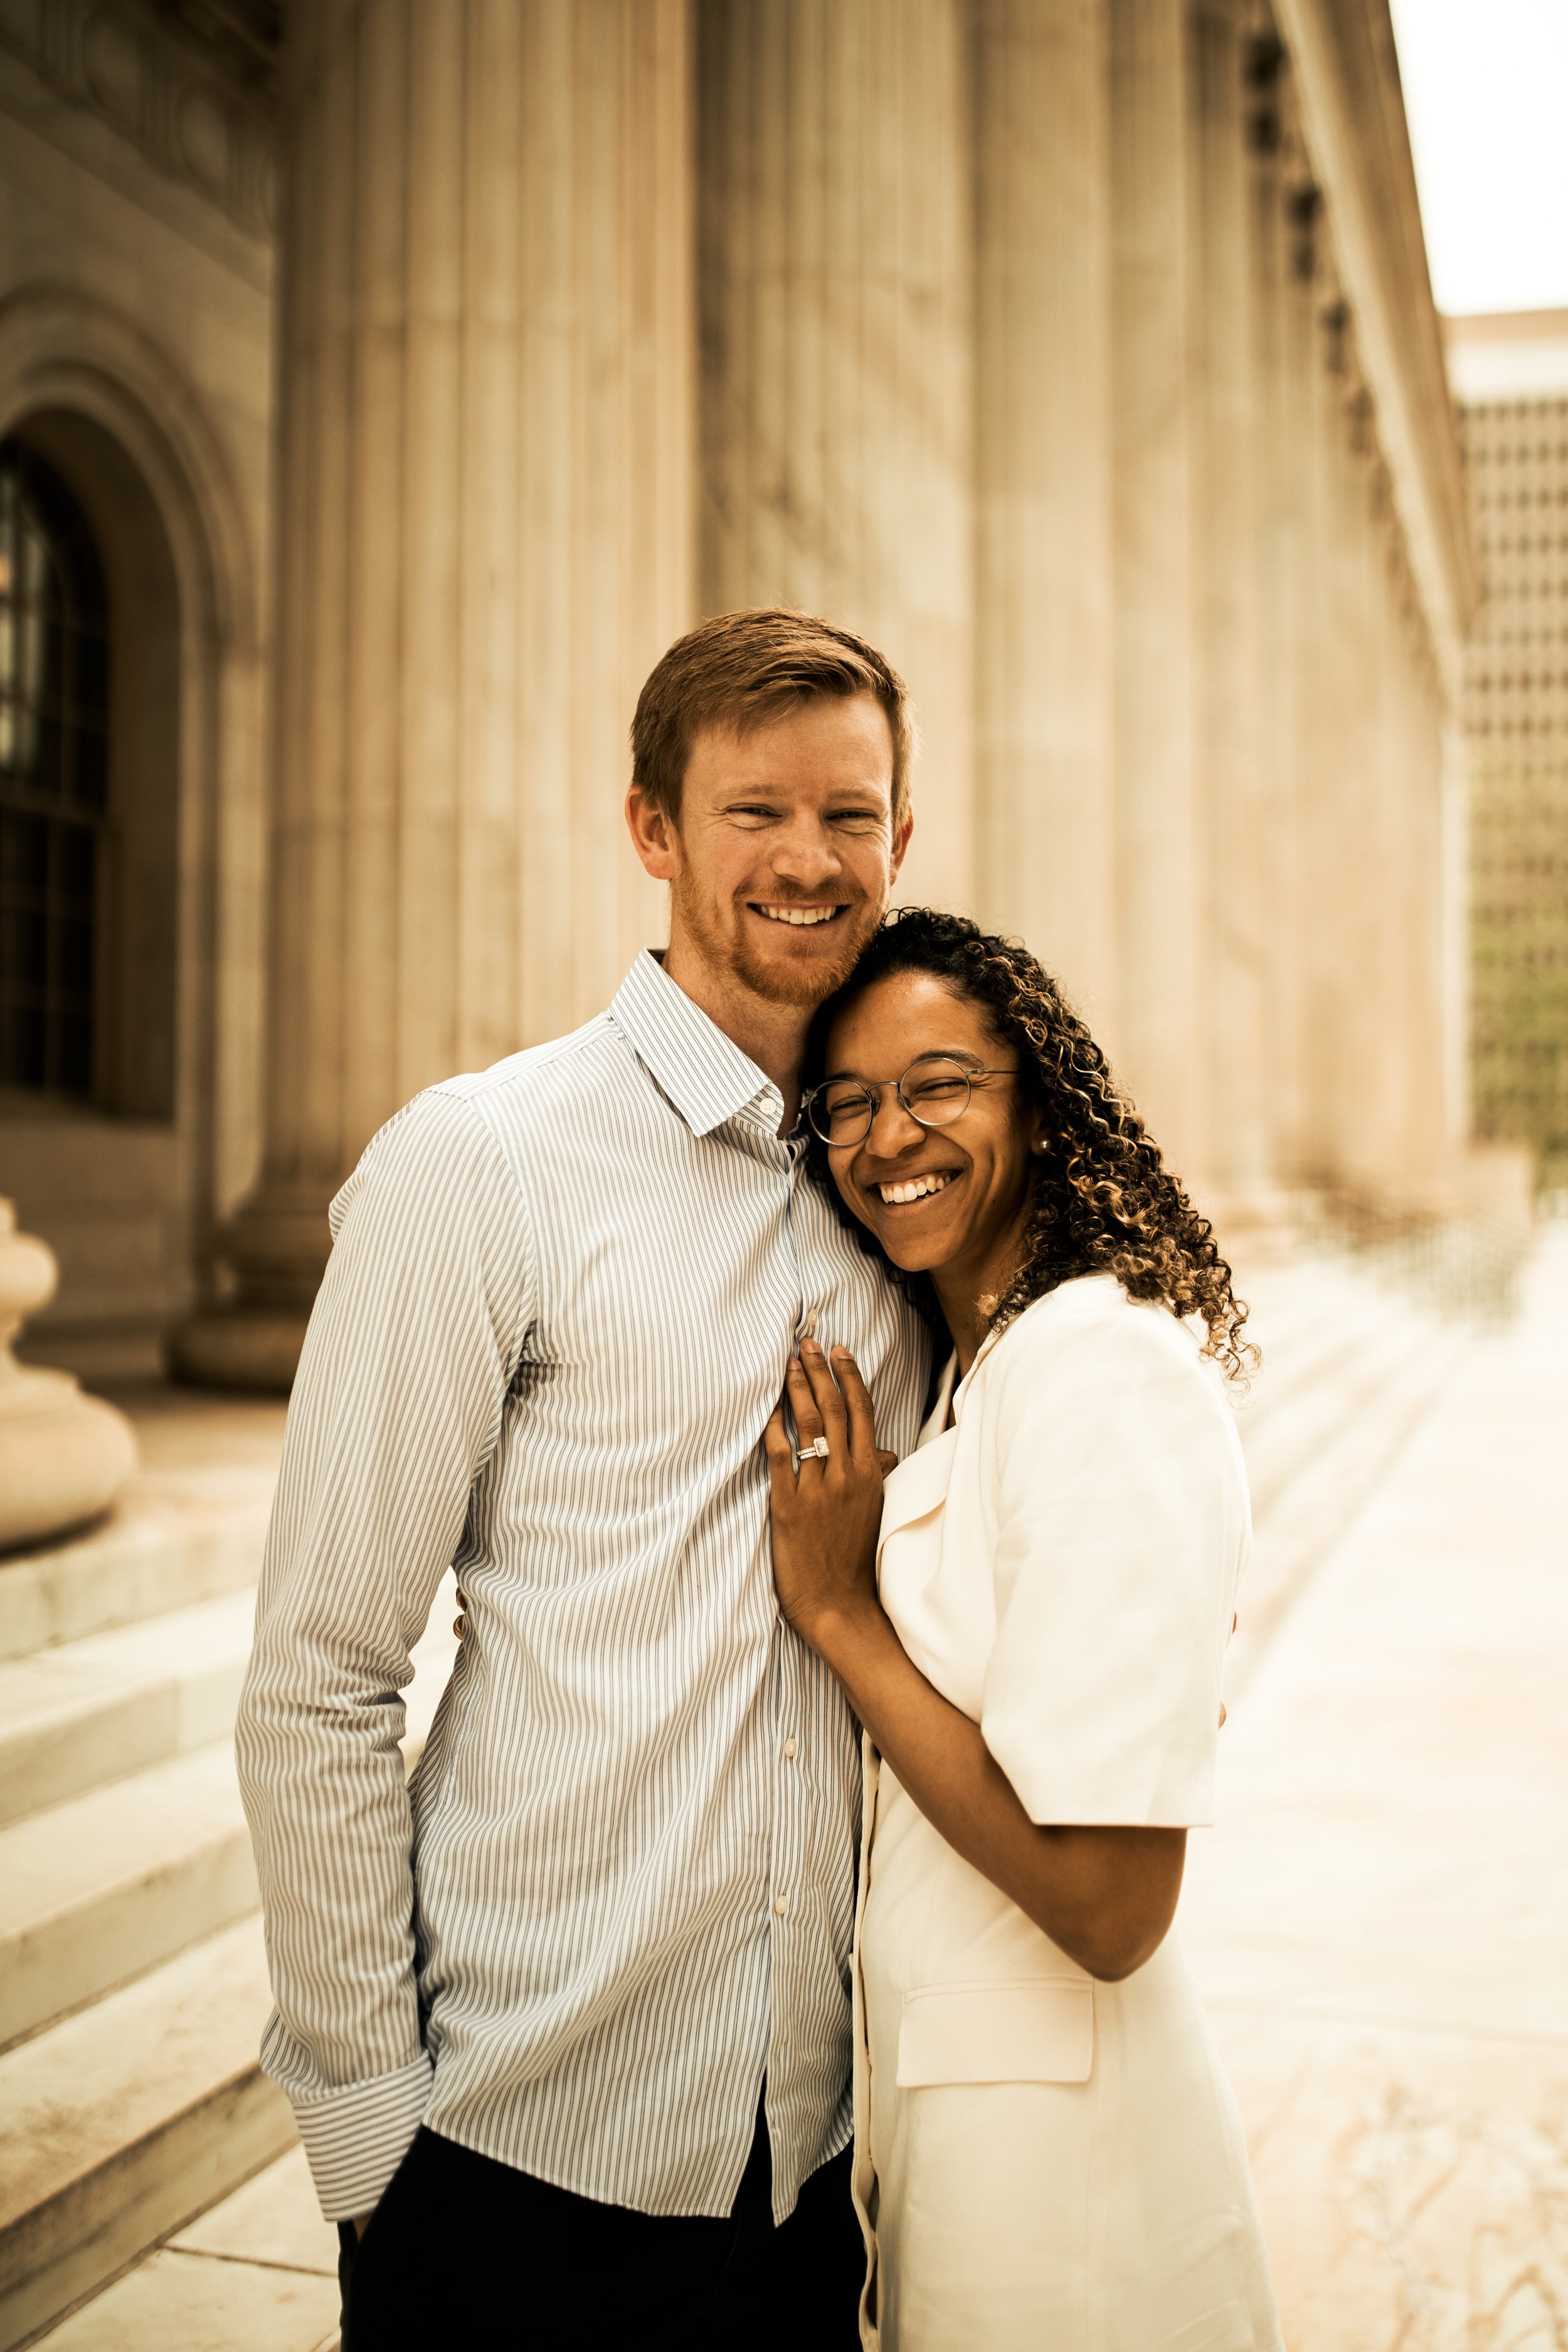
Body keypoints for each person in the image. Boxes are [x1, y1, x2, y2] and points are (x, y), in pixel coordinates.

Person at [235, 609, 933, 2350]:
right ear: (651, 829)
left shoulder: (896, 1195)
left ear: (900, 841)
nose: (806, 856)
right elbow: (320, 1673)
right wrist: (370, 2150)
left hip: (812, 2175)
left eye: (848, 815)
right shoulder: (482, 1163)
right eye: (753, 809)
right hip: (514, 2162)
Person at [766, 908, 1285, 2352]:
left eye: (937, 1085)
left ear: (1036, 1105)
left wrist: (837, 1611)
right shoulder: (979, 1373)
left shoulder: (1101, 1370)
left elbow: (1112, 1907)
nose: (886, 1137)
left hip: (1072, 2203)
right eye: (849, 1103)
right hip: (954, 2143)